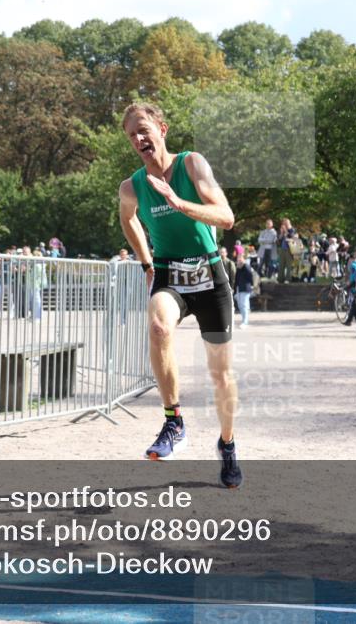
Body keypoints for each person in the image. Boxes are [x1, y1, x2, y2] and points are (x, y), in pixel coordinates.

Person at [117, 102, 241, 488]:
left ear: (162, 129)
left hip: (209, 274)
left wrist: (177, 202)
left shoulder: (191, 164)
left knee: (221, 376)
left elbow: (226, 216)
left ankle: (227, 443)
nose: (138, 138)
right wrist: (146, 262)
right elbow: (127, 217)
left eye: (144, 129)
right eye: (132, 135)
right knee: (158, 326)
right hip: (169, 273)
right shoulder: (132, 186)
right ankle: (174, 422)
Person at [233, 253, 254, 329]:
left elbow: (250, 277)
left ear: (244, 259)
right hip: (239, 288)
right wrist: (234, 288)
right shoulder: (239, 268)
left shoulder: (246, 266)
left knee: (244, 305)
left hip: (245, 288)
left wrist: (251, 285)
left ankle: (245, 322)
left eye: (240, 258)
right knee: (240, 306)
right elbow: (236, 279)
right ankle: (244, 320)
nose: (239, 260)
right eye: (238, 258)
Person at [276, 218, 297, 283]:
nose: (284, 225)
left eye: (286, 223)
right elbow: (279, 240)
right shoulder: (283, 230)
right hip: (282, 249)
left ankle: (288, 279)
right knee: (281, 264)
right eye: (284, 223)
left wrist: (286, 231)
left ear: (289, 223)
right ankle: (280, 279)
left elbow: (292, 237)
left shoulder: (292, 230)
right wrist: (282, 233)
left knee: (289, 265)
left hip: (289, 249)